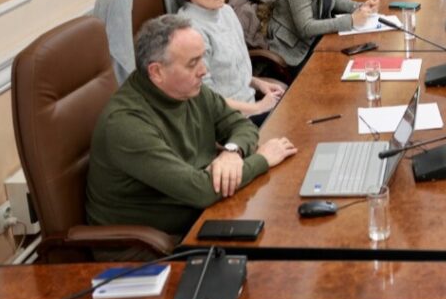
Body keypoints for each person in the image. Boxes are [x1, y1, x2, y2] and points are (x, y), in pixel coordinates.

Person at [86, 15, 297, 240]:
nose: (204, 70)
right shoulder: (125, 125)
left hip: (202, 212)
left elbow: (240, 124)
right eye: (192, 63)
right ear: (157, 72)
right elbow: (201, 191)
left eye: (202, 58)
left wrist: (232, 152)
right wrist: (262, 159)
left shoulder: (188, 89)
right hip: (153, 243)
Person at [175, 0, 285, 121]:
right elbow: (205, 99)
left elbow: (230, 70)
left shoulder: (226, 11)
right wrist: (258, 108)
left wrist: (259, 83)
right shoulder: (189, 31)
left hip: (248, 105)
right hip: (226, 121)